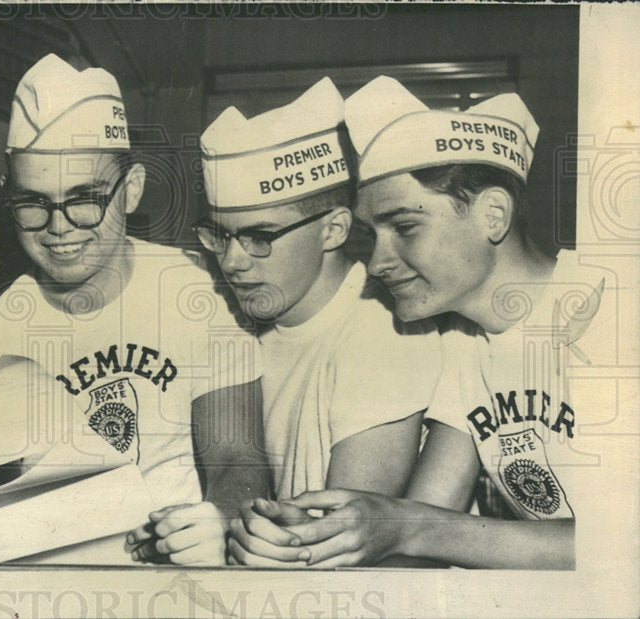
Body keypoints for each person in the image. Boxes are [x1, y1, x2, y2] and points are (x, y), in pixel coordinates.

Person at [239, 76, 604, 569]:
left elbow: (624, 542)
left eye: (405, 227)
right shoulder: (462, 336)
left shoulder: (612, 309)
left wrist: (405, 525)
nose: (378, 262)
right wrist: (323, 545)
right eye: (374, 234)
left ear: (493, 214)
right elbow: (428, 520)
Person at [0, 54, 268, 566]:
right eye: (33, 203)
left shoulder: (194, 293)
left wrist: (217, 518)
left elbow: (239, 459)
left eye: (85, 199)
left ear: (132, 190)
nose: (59, 227)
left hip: (179, 579)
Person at [192, 78, 442, 568]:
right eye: (219, 236)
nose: (233, 262)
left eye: (259, 236)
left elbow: (338, 538)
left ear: (333, 229)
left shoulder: (384, 329)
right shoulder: (238, 315)